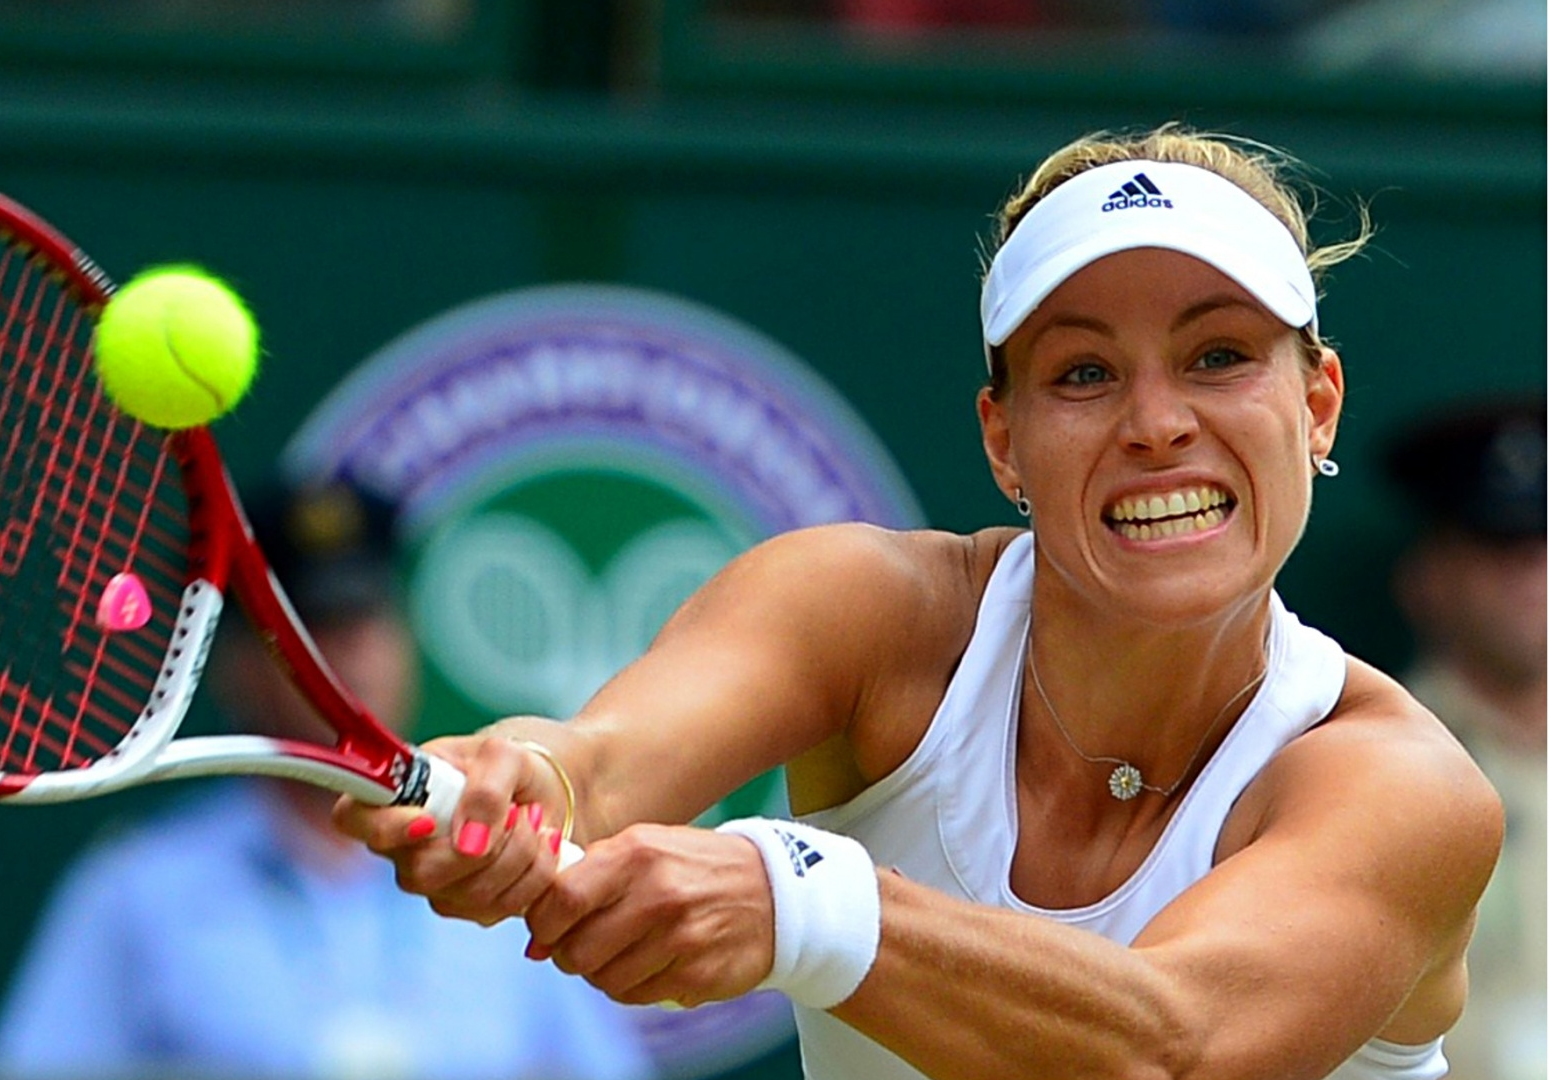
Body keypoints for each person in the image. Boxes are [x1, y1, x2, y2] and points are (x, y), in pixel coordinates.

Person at [334, 123, 1505, 1080]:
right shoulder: (867, 612)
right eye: (1084, 374)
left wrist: (806, 905)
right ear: (1006, 441)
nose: (1157, 424)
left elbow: (1173, 1045)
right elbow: (597, 762)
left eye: (1218, 358)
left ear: (1318, 406)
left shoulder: (1400, 788)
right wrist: (525, 781)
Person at [0, 476, 655, 1080]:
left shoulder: (514, 872)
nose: (352, 654)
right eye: (316, 627)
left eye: (366, 618)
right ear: (240, 665)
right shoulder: (136, 891)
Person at [1385, 399, 1546, 1080]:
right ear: (1427, 577)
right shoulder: (1375, 762)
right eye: (1496, 548)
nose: (1528, 580)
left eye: (1542, 548)